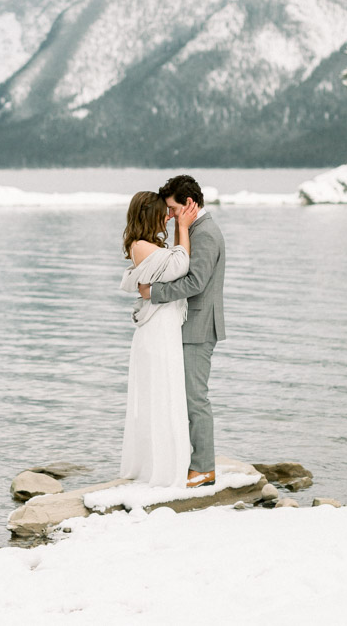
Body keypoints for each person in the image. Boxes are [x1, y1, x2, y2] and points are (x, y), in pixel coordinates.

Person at [138, 175, 225, 489]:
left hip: (199, 327)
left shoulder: (207, 234)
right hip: (189, 324)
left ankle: (204, 469)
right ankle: (188, 461)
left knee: (194, 399)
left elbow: (196, 282)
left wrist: (154, 293)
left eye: (173, 208)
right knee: (185, 397)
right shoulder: (193, 230)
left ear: (189, 204)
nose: (170, 214)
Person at [119, 190, 199, 487]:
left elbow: (171, 267)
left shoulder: (150, 246)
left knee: (168, 391)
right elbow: (181, 265)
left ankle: (170, 461)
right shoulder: (139, 245)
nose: (168, 216)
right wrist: (183, 227)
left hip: (164, 326)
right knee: (160, 394)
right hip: (156, 331)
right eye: (163, 212)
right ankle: (160, 468)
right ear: (150, 214)